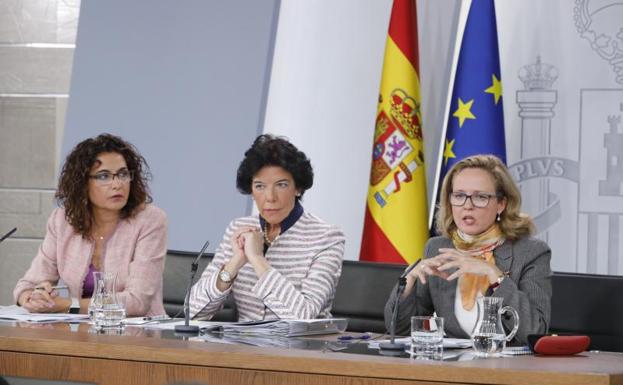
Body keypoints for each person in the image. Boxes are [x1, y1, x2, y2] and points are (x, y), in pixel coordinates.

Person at [384, 154, 551, 344]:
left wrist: (494, 275)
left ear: (501, 204)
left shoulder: (531, 252)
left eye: (480, 197)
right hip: (453, 367)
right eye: (460, 196)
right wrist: (407, 284)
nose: (468, 206)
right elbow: (399, 330)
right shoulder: (438, 248)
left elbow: (535, 332)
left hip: (508, 367)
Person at [189, 134, 345, 321]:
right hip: (243, 347)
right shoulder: (239, 228)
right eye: (260, 186)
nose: (270, 197)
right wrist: (235, 262)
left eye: (281, 185)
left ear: (298, 188)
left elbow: (303, 317)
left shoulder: (326, 237)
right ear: (251, 191)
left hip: (301, 348)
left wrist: (256, 259)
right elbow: (193, 311)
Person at [14, 134, 167, 317]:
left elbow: (137, 302)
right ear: (83, 183)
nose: (117, 184)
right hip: (81, 336)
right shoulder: (63, 221)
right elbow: (28, 285)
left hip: (139, 337)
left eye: (123, 174)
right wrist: (34, 296)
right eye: (104, 176)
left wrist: (69, 305)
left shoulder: (150, 220)